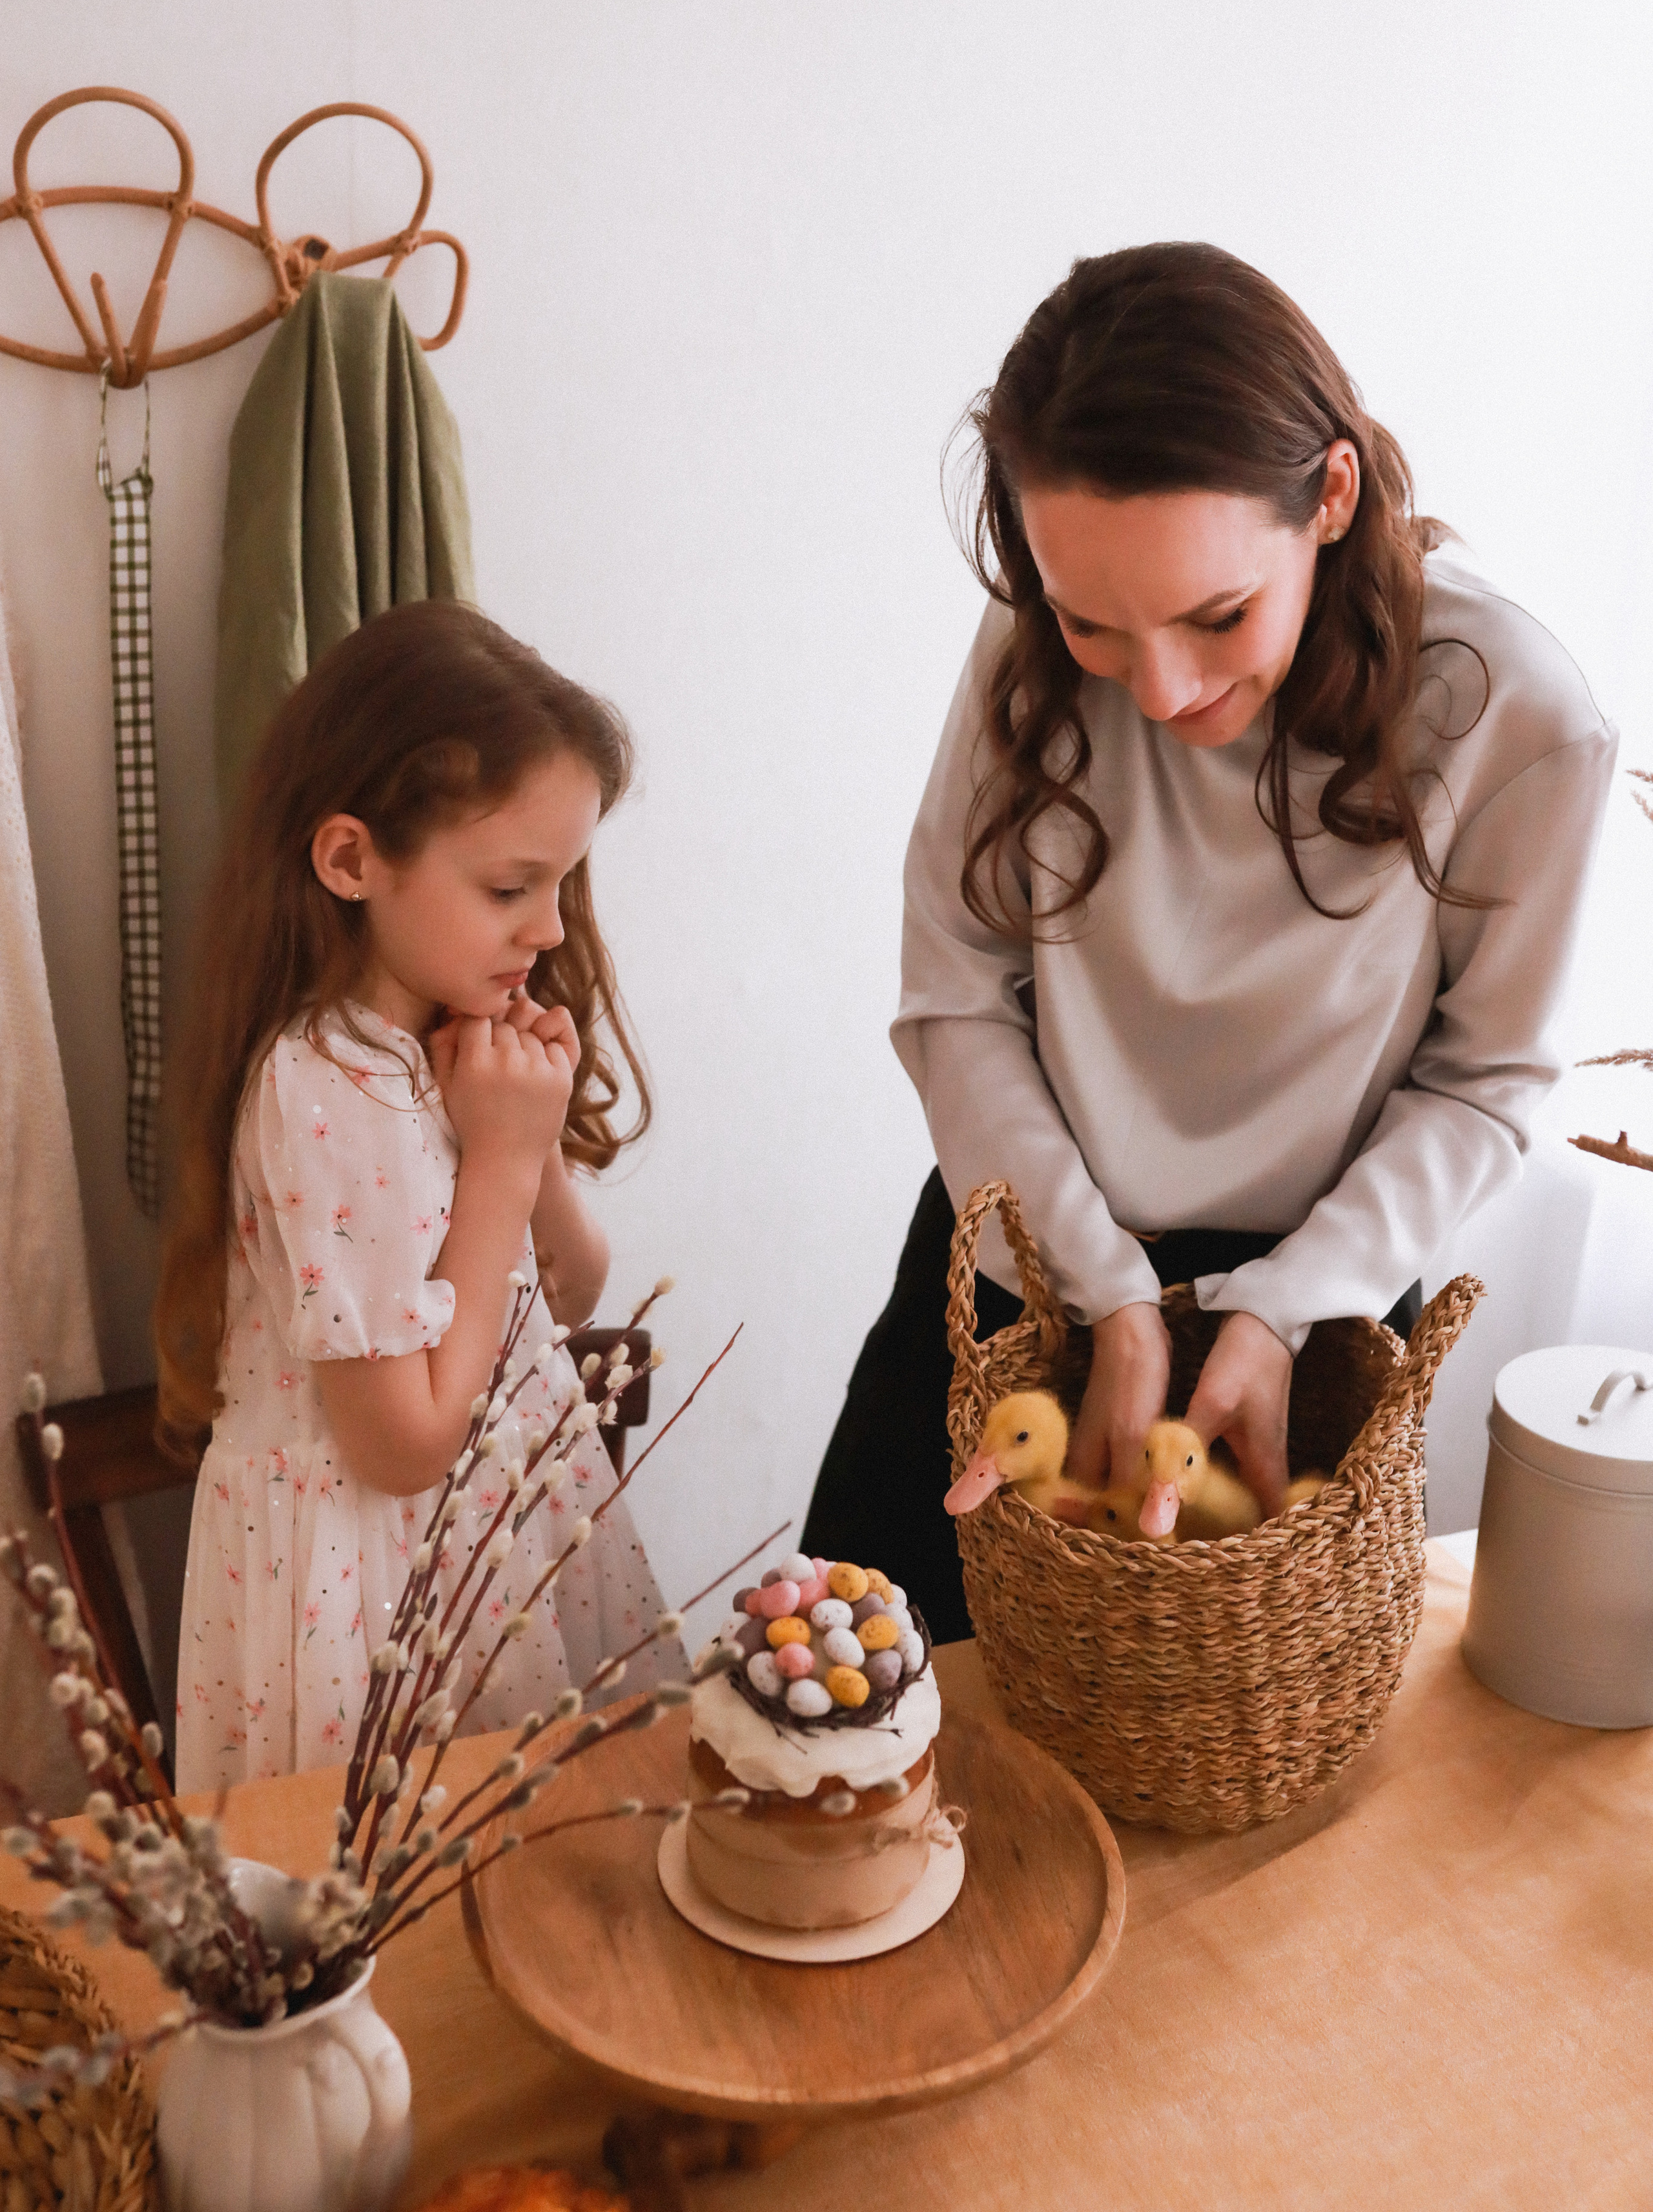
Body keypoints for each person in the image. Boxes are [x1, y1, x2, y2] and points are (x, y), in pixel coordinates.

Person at [805, 242, 1616, 1644]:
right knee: (858, 1705)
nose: (1162, 686)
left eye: (1216, 615)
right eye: (1090, 622)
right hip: (1018, 1256)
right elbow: (955, 999)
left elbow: (1483, 1083)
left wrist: (1281, 1314)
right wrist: (1099, 1296)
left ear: (1331, 496)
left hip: (1322, 1298)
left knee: (1253, 1793)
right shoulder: (1034, 652)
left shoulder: (1518, 716)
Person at [159, 602, 682, 1792]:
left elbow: (563, 1288)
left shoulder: (449, 1034)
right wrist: (497, 1163)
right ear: (352, 861)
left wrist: (531, 1141)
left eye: (560, 883)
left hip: (484, 1543)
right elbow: (402, 1446)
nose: (549, 927)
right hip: (373, 1587)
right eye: (511, 886)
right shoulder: (322, 1090)